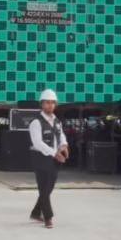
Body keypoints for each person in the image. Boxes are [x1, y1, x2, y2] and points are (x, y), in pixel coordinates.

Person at [29, 89, 69, 229]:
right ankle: (48, 217)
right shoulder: (36, 122)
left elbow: (61, 135)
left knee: (48, 188)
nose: (50, 105)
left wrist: (64, 145)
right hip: (40, 157)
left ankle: (35, 213)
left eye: (52, 103)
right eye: (47, 102)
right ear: (41, 104)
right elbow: (37, 143)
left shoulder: (57, 121)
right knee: (44, 188)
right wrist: (54, 153)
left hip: (54, 157)